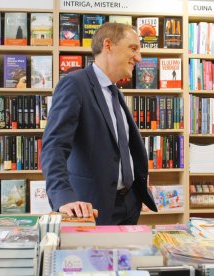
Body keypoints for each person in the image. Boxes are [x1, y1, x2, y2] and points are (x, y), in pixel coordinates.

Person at [41, 22, 158, 225]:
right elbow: (54, 146)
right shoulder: (75, 85)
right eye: (133, 48)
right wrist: (63, 197)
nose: (138, 58)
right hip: (94, 207)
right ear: (108, 45)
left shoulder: (115, 92)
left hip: (130, 205)